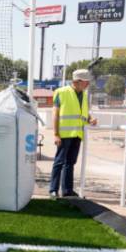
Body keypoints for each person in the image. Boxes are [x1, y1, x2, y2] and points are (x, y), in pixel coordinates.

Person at [48, 69, 97, 198]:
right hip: (64, 134)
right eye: (86, 81)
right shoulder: (61, 92)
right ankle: (53, 190)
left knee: (70, 163)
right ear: (77, 81)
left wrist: (90, 118)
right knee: (59, 162)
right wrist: (56, 134)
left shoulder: (84, 95)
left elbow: (82, 113)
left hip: (77, 134)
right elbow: (55, 114)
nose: (88, 84)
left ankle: (67, 191)